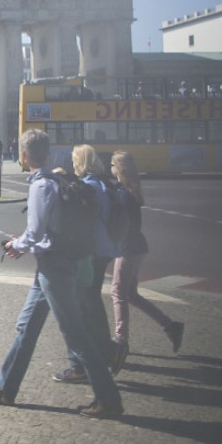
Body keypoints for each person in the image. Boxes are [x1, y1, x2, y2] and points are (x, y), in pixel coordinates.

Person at [0, 129, 123, 419]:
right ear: (48, 152)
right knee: (26, 327)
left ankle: (109, 399)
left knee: (76, 334)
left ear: (24, 155)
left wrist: (14, 245)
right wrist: (24, 245)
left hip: (54, 268)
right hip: (51, 265)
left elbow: (35, 233)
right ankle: (6, 386)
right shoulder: (57, 179)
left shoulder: (41, 186)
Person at [53, 144, 122, 384]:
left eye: (75, 159)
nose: (73, 163)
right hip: (105, 247)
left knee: (86, 303)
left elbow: (87, 221)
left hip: (93, 249)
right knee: (90, 300)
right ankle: (104, 350)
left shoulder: (90, 186)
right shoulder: (101, 182)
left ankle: (103, 351)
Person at [109, 151, 184, 356]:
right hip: (137, 246)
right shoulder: (129, 190)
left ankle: (121, 340)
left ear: (119, 168)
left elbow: (125, 224)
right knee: (130, 293)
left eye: (112, 165)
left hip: (128, 248)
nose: (110, 168)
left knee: (118, 292)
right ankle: (170, 325)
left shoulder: (123, 194)